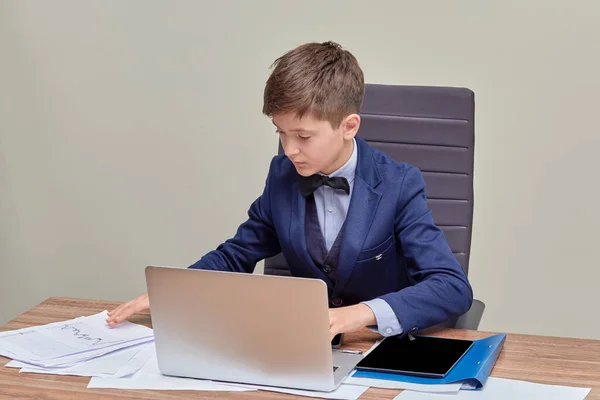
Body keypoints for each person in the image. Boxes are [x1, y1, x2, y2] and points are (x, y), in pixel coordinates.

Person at [107, 41, 473, 340]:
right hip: (300, 350)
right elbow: (236, 255)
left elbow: (451, 287)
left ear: (349, 126)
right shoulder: (282, 176)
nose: (288, 149)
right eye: (280, 133)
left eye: (303, 136)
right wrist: (173, 292)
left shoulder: (399, 184)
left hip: (379, 351)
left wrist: (359, 315)